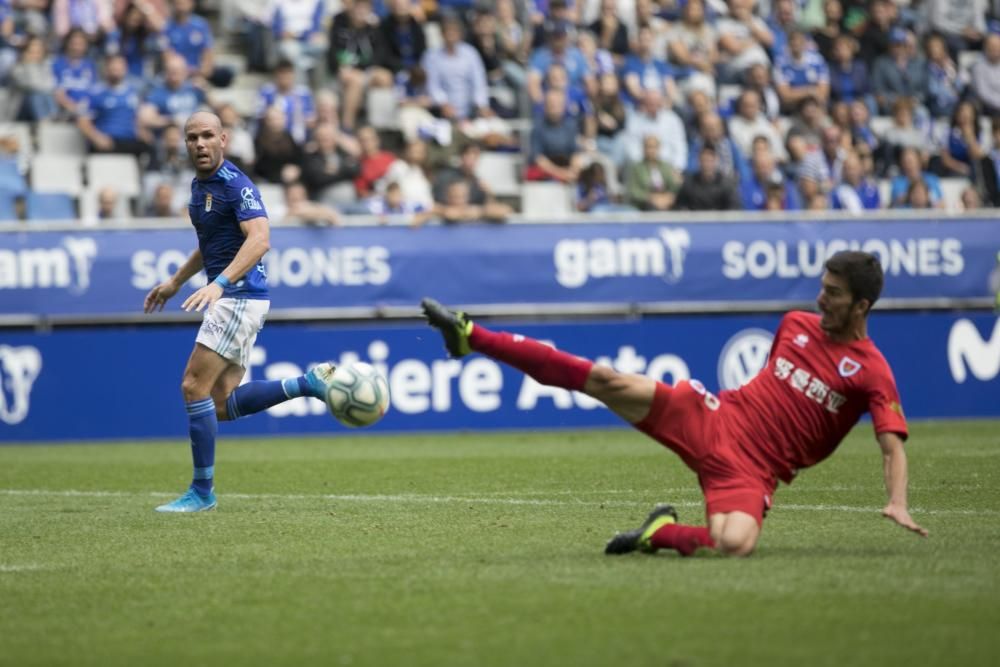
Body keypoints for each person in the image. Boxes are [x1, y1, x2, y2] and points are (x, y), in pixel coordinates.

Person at [420, 250, 928, 557]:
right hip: (713, 417)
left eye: (834, 294)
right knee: (604, 379)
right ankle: (471, 335)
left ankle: (657, 534)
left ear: (862, 305)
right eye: (822, 288)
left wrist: (897, 502)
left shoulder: (872, 371)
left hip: (752, 472)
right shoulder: (794, 324)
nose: (821, 300)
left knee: (735, 545)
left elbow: (892, 445)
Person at [142, 111, 335, 513]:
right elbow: (209, 243)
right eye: (192, 137)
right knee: (219, 403)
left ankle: (202, 492)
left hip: (239, 296)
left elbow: (261, 239)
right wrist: (176, 281)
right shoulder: (199, 188)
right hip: (238, 297)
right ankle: (306, 384)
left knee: (193, 386)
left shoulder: (235, 185)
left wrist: (220, 284)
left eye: (207, 135)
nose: (199, 143)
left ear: (223, 139)